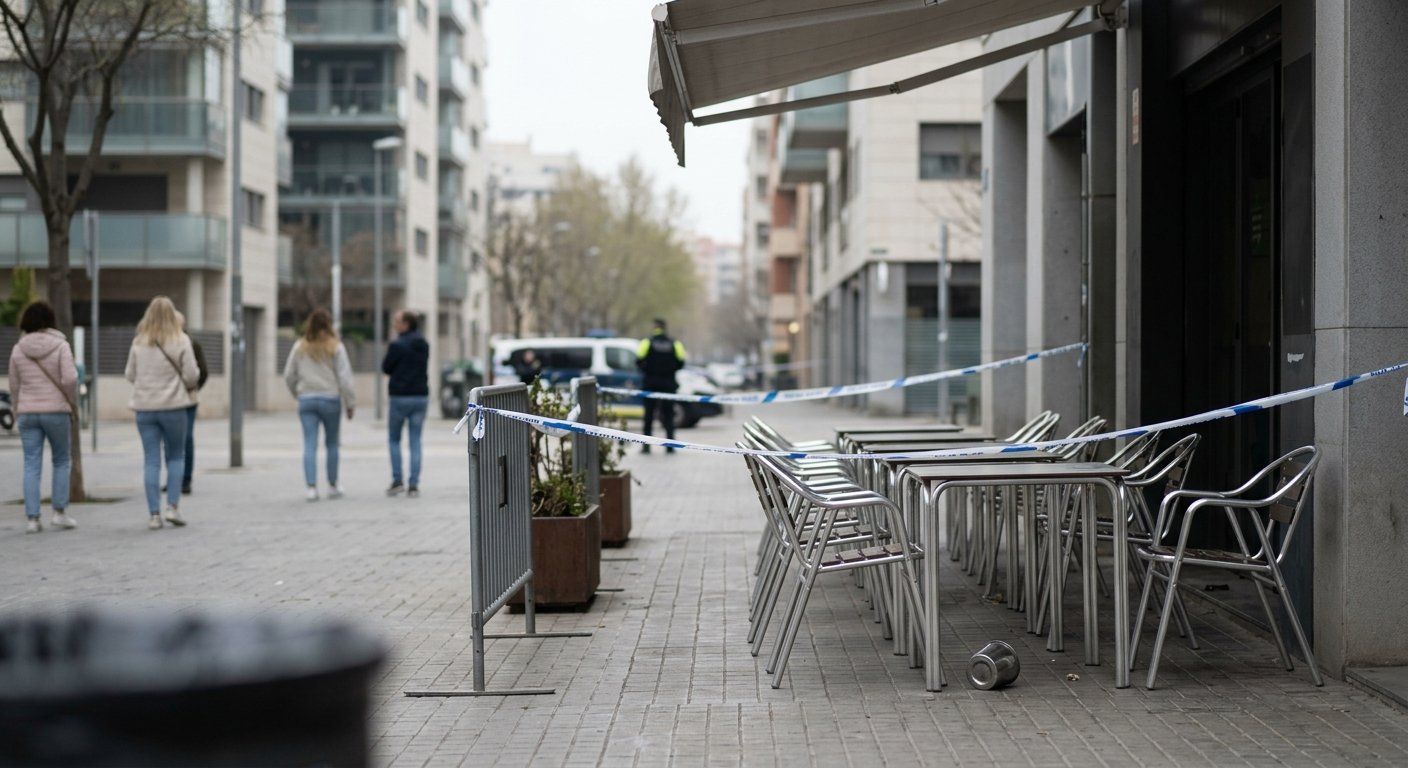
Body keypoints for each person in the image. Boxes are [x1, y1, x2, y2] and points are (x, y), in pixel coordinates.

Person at [125, 296, 199, 530]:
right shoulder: (181, 340)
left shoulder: (139, 341)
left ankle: (154, 515)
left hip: (145, 409)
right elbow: (192, 375)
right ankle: (173, 508)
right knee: (176, 456)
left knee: (151, 460)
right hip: (174, 407)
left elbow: (129, 374)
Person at [8, 301, 78, 534]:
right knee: (60, 460)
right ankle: (59, 513)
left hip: (28, 412)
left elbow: (14, 384)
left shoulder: (18, 349)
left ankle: (32, 519)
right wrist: (70, 400)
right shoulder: (61, 346)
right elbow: (70, 379)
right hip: (56, 411)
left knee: (31, 464)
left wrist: (18, 409)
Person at [283, 308, 356, 501]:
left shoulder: (300, 347)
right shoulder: (336, 347)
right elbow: (345, 378)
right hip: (330, 399)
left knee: (309, 444)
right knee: (332, 443)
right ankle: (333, 485)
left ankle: (311, 488)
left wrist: (297, 393)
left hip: (307, 399)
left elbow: (289, 374)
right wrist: (350, 403)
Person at [381, 309, 429, 497]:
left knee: (394, 439)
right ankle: (414, 484)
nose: (394, 325)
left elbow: (386, 367)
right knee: (415, 440)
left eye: (397, 322)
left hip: (400, 397)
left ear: (406, 324)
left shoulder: (397, 345)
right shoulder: (424, 344)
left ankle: (397, 480)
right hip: (420, 396)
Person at [636, 318, 686, 454]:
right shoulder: (674, 343)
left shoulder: (647, 342)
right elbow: (681, 362)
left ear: (654, 327)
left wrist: (649, 371)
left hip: (650, 385)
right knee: (668, 416)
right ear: (665, 328)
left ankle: (646, 447)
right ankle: (670, 446)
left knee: (648, 416)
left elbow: (638, 360)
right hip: (668, 385)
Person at [172, 312, 208, 496]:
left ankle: (185, 478)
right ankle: (174, 478)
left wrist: (193, 389)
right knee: (172, 440)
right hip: (169, 400)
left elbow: (202, 372)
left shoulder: (192, 344)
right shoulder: (162, 343)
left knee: (186, 439)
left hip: (187, 400)